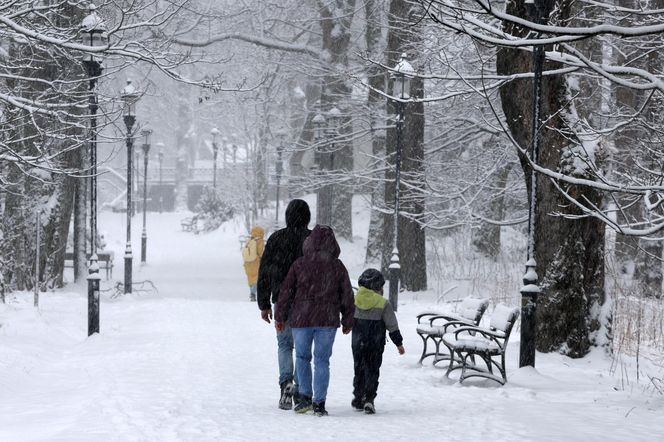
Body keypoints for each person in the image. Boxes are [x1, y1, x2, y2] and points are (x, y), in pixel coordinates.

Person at [275, 224, 355, 417]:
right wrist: (348, 319)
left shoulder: (299, 264)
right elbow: (347, 294)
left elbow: (286, 291)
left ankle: (304, 398)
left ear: (309, 242)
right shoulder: (337, 266)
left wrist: (280, 316)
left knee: (302, 358)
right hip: (327, 319)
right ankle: (319, 403)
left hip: (302, 319)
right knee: (322, 361)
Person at [256, 199, 312, 410]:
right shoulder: (312, 239)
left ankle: (285, 382)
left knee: (285, 344)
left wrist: (264, 303)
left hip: (282, 301)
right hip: (307, 302)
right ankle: (298, 385)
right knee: (303, 348)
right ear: (307, 217)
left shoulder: (276, 239)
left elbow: (264, 272)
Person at [351, 268, 405, 414]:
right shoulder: (383, 303)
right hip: (375, 343)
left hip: (357, 342)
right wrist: (398, 343)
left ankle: (358, 397)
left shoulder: (355, 300)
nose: (382, 289)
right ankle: (369, 399)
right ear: (376, 287)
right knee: (373, 370)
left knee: (359, 369)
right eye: (381, 286)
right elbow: (392, 325)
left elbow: (348, 318)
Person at [242, 225, 265, 302]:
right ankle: (253, 293)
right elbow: (261, 253)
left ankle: (252, 293)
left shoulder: (249, 240)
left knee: (251, 278)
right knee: (257, 278)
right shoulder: (260, 241)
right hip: (256, 262)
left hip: (247, 263)